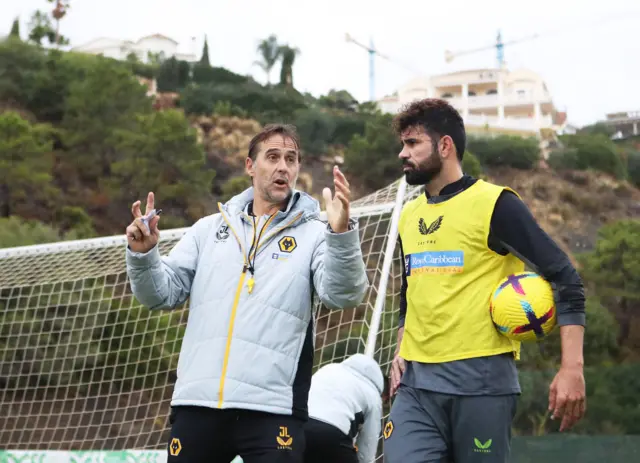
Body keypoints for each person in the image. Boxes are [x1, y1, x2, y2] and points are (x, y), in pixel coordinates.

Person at [125, 123, 369, 463]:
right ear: (250, 166)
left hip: (273, 409)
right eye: (273, 157)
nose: (284, 166)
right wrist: (143, 255)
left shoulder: (316, 233)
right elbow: (161, 294)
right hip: (199, 403)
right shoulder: (208, 230)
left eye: (291, 159)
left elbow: (344, 296)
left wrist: (340, 235)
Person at [383, 99, 587, 463]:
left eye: (413, 143)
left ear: (445, 146)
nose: (403, 153)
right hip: (416, 387)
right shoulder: (409, 214)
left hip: (482, 384)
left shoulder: (495, 204)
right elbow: (409, 290)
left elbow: (565, 277)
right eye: (403, 144)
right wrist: (401, 347)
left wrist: (572, 367)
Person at [303, 354, 386, 463]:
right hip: (333, 436)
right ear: (384, 394)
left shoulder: (329, 368)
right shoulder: (374, 395)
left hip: (300, 426)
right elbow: (367, 448)